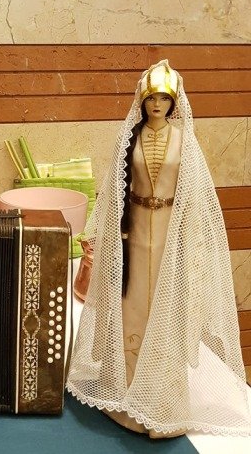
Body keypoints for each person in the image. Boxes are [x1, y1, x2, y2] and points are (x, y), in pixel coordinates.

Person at [67, 60, 251, 436]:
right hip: (134, 237)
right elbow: (114, 190)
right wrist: (109, 235)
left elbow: (195, 197)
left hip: (169, 237)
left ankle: (161, 397)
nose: (157, 105)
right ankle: (125, 390)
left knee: (165, 308)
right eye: (152, 98)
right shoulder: (129, 138)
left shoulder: (185, 142)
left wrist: (190, 244)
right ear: (142, 100)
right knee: (132, 306)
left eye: (165, 99)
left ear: (174, 103)